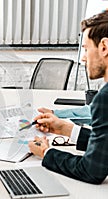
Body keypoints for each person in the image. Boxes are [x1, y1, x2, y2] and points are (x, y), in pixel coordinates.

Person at [28, 11, 108, 184]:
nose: (83, 58)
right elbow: (105, 147)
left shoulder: (105, 98)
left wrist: (46, 153)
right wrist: (65, 129)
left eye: (86, 49)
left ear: (104, 47)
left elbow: (90, 170)